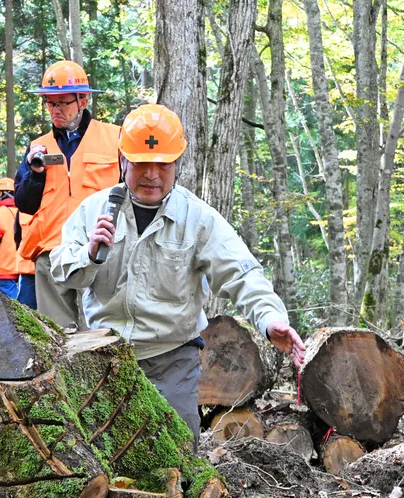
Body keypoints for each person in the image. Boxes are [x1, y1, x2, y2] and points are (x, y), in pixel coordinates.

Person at [51, 104, 305, 447]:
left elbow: (242, 273)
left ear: (177, 164)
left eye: (163, 164)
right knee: (101, 457)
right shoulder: (94, 211)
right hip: (103, 358)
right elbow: (62, 272)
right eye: (142, 162)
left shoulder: (197, 218)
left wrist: (271, 319)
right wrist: (91, 254)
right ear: (124, 160)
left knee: (177, 457)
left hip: (171, 360)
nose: (152, 174)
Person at [14, 60, 121, 328]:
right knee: (57, 337)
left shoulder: (115, 139)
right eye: (50, 103)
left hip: (99, 252)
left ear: (82, 100)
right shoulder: (38, 147)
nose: (55, 110)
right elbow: (24, 204)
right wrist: (33, 172)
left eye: (62, 102)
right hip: (51, 254)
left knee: (100, 336)